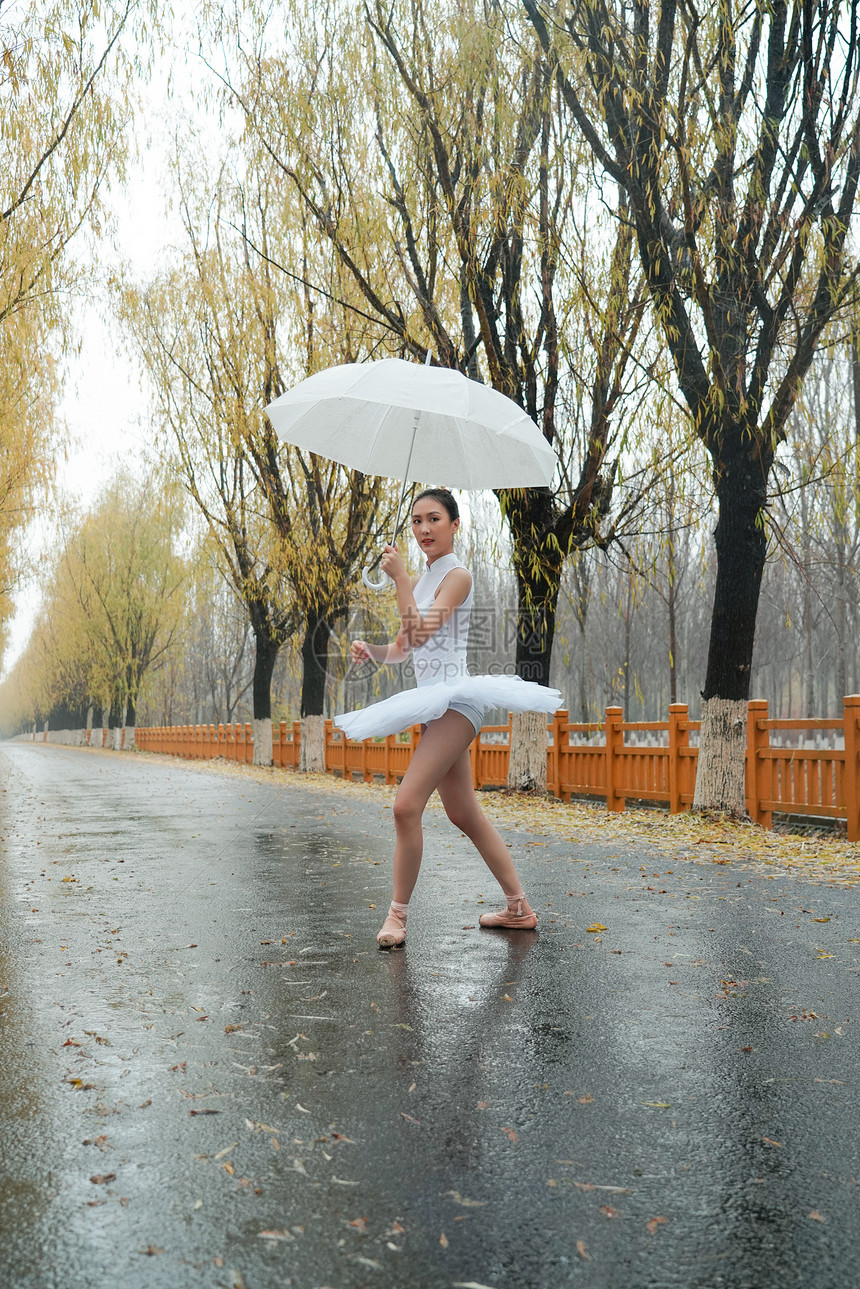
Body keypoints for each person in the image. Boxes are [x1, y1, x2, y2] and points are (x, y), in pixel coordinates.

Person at [335, 488, 561, 949]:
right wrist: (372, 652)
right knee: (463, 813)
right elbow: (403, 648)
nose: (423, 529)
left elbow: (420, 631)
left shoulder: (457, 576)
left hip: (457, 704)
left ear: (455, 525)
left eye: (433, 519)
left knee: (405, 805)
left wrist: (398, 577)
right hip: (431, 704)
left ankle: (397, 917)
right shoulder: (422, 581)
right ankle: (519, 908)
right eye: (416, 521)